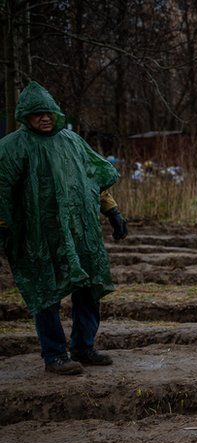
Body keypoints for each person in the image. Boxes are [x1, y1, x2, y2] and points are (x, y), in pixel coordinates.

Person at [0, 81, 128, 376]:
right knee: (46, 293)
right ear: (25, 116)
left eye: (49, 112)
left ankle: (84, 346)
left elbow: (93, 177)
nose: (44, 118)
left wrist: (112, 211)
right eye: (37, 113)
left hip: (80, 232)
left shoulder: (71, 141)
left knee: (87, 288)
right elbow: (2, 190)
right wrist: (3, 226)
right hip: (39, 237)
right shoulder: (12, 148)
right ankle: (55, 354)